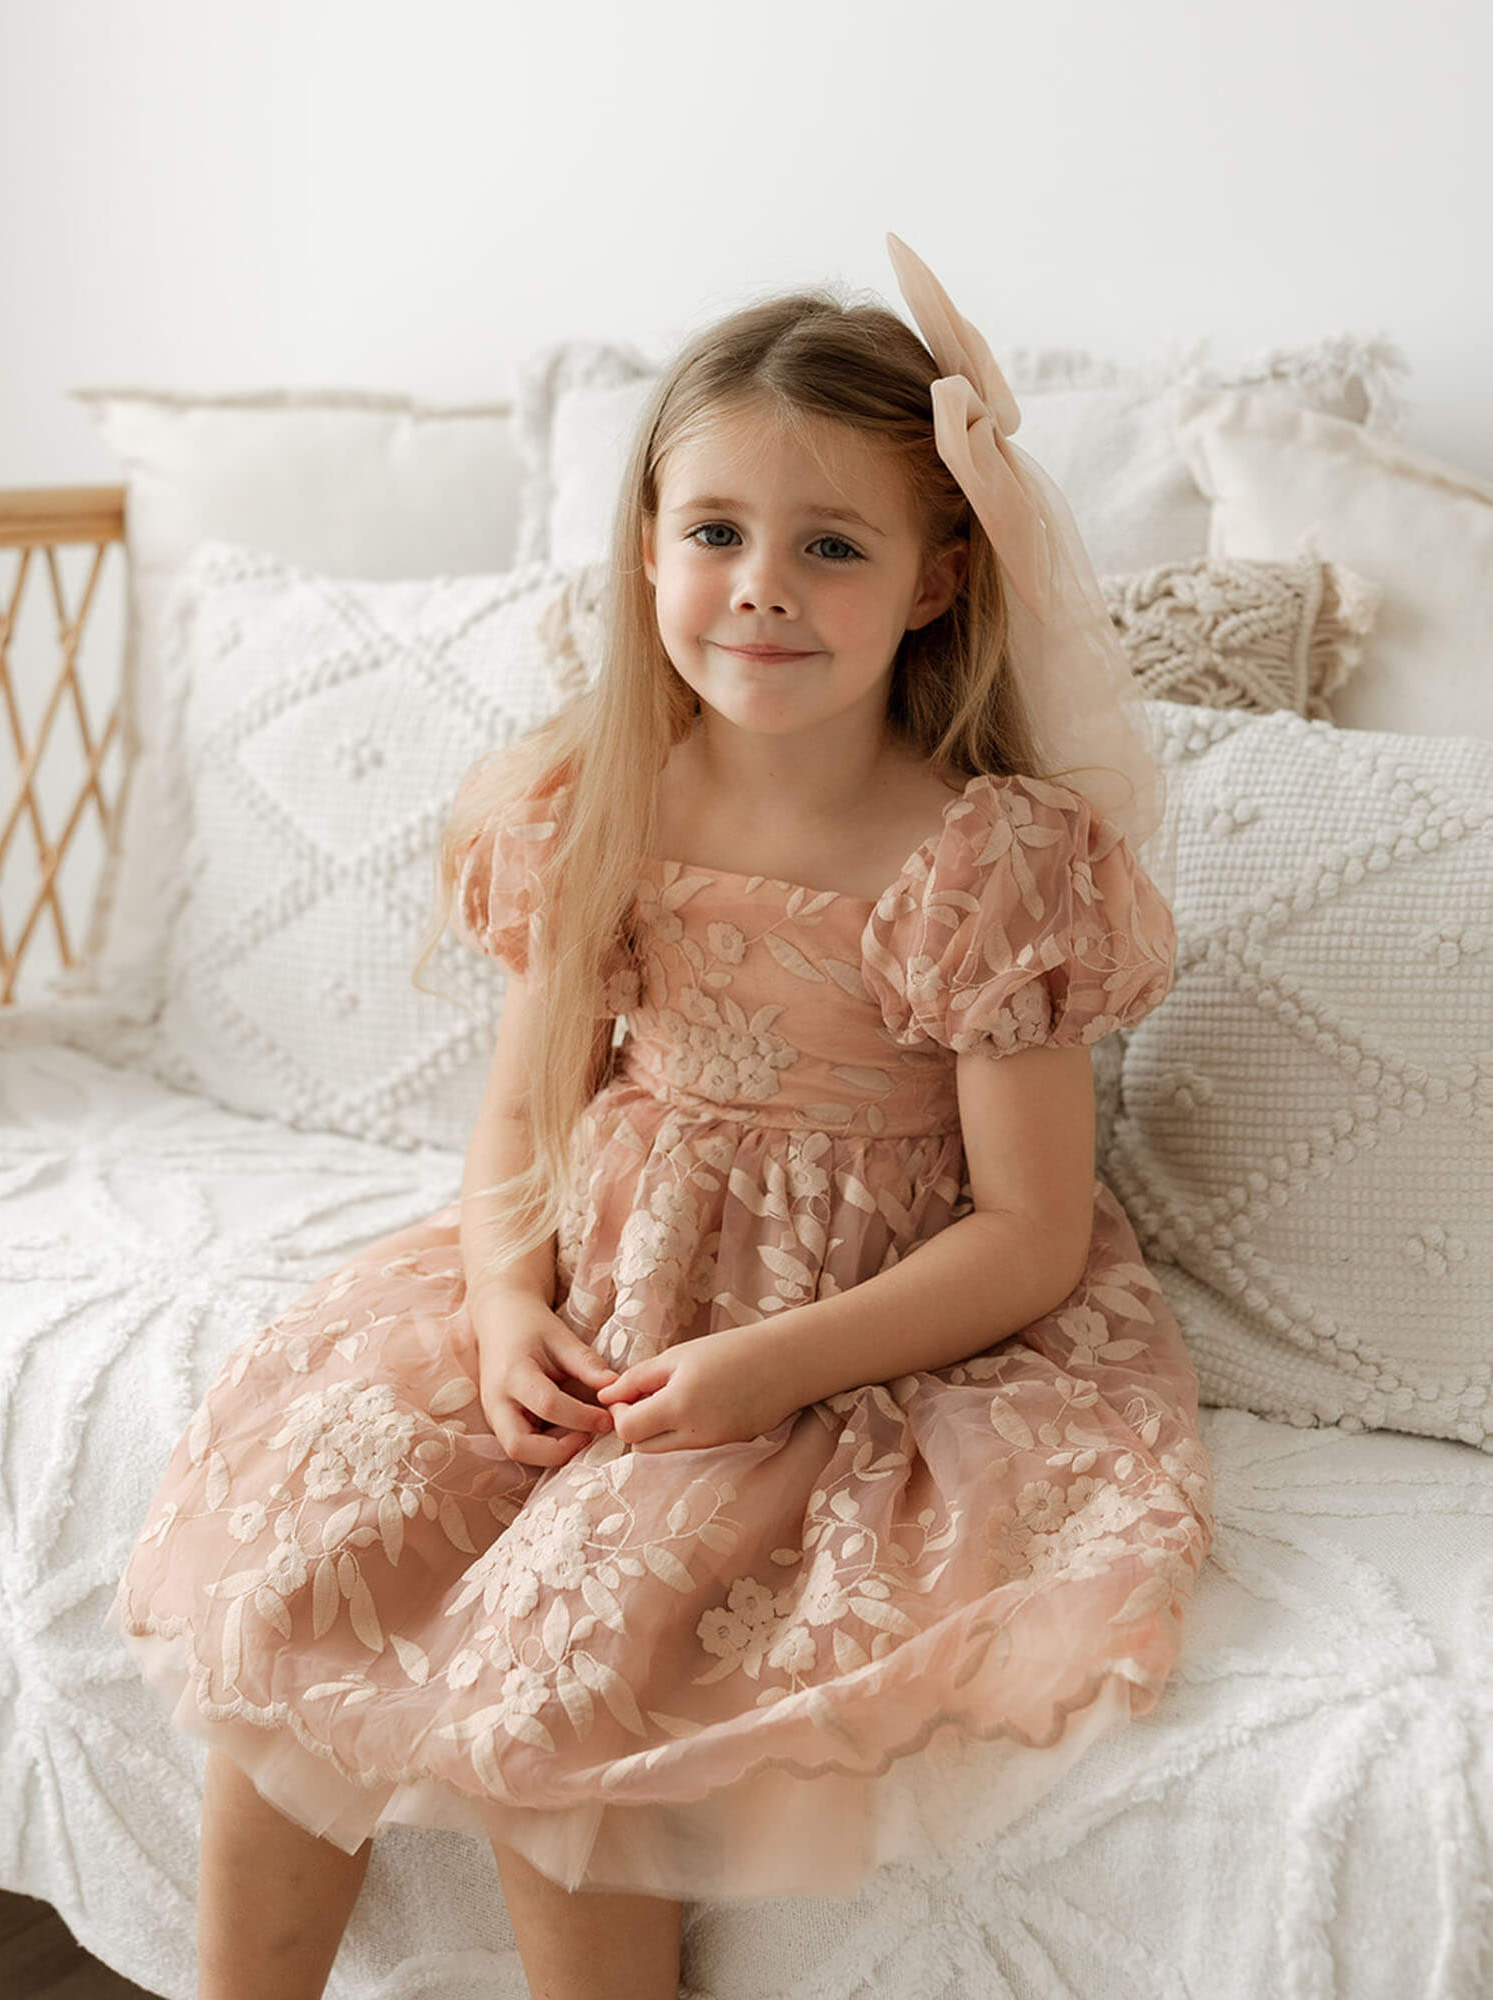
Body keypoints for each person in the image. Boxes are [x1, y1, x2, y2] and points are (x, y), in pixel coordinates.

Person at [105, 234, 1215, 2000]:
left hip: (840, 1336)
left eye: (828, 544)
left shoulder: (981, 860)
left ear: (933, 584)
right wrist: (496, 1300)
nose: (759, 587)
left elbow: (1033, 1232)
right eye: (715, 533)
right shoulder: (596, 797)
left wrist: (770, 1369)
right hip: (592, 1288)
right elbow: (524, 1122)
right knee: (302, 1589)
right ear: (646, 551)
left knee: (565, 1685)